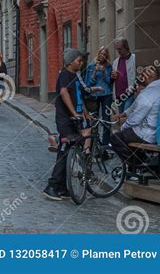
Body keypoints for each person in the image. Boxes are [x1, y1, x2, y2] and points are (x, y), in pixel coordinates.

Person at [43, 49, 92, 201]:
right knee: (64, 151)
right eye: (79, 60)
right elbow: (64, 93)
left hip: (75, 120)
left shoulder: (75, 76)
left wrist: (85, 113)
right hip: (65, 120)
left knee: (71, 148)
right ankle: (52, 186)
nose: (81, 63)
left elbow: (78, 97)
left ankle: (63, 188)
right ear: (70, 62)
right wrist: (73, 113)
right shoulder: (64, 75)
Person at [111, 66, 160, 174]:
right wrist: (125, 114)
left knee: (116, 138)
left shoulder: (148, 93)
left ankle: (137, 166)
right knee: (128, 136)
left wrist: (123, 127)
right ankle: (140, 162)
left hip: (149, 133)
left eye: (143, 76)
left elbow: (135, 119)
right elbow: (135, 106)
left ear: (149, 77)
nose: (141, 78)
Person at [84, 46, 113, 144]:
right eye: (101, 53)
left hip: (106, 94)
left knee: (106, 119)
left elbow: (109, 82)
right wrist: (95, 71)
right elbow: (88, 83)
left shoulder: (109, 66)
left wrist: (104, 72)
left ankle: (105, 143)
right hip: (94, 95)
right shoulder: (91, 66)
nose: (103, 56)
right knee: (94, 119)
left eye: (105, 54)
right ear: (98, 53)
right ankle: (93, 142)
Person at [111, 38, 136, 113]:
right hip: (119, 96)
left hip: (130, 94)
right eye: (117, 49)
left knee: (126, 114)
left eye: (120, 49)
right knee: (121, 117)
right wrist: (112, 76)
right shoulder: (116, 62)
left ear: (126, 47)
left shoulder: (134, 59)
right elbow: (112, 79)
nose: (118, 51)